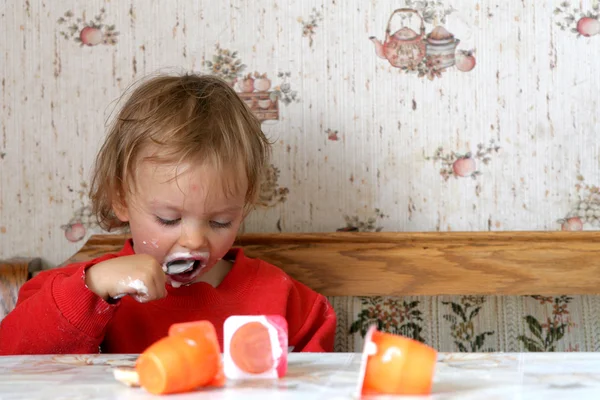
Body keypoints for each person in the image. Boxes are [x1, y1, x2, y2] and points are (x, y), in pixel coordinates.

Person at [0, 73, 336, 355]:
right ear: (120, 198)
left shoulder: (284, 300)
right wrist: (93, 286)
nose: (194, 241)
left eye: (221, 221)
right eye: (168, 219)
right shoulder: (72, 292)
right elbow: (13, 360)